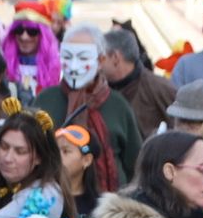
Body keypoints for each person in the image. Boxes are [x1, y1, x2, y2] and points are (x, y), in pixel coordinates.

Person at [33, 22, 143, 187]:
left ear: (100, 61)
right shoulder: (45, 100)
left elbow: (134, 164)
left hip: (107, 206)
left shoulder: (118, 105)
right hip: (49, 200)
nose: (74, 66)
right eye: (68, 57)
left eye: (83, 57)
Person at [101, 27, 176, 136]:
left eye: (101, 56)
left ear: (115, 57)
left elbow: (184, 129)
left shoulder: (158, 88)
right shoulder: (96, 89)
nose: (96, 62)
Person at [3, 4, 60, 98]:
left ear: (43, 35)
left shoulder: (58, 66)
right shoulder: (2, 63)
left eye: (32, 31)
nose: (24, 37)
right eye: (19, 30)